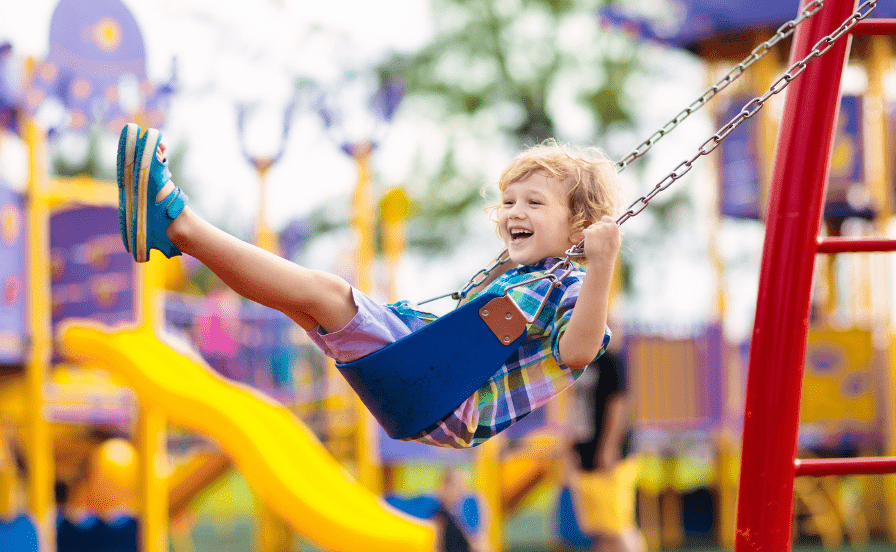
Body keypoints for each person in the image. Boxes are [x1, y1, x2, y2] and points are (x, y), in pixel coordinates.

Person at [116, 123, 623, 448]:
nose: (515, 211)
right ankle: (172, 235)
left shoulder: (572, 286)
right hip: (425, 379)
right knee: (301, 301)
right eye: (509, 201)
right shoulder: (520, 278)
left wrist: (601, 266)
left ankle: (178, 222)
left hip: (444, 395)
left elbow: (578, 352)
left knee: (324, 293)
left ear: (580, 227)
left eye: (535, 203)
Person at [567, 344, 646, 552]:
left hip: (609, 457)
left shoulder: (611, 361)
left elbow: (619, 403)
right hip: (585, 452)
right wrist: (570, 446)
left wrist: (609, 447)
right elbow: (576, 407)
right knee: (601, 530)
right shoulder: (578, 364)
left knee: (619, 525)